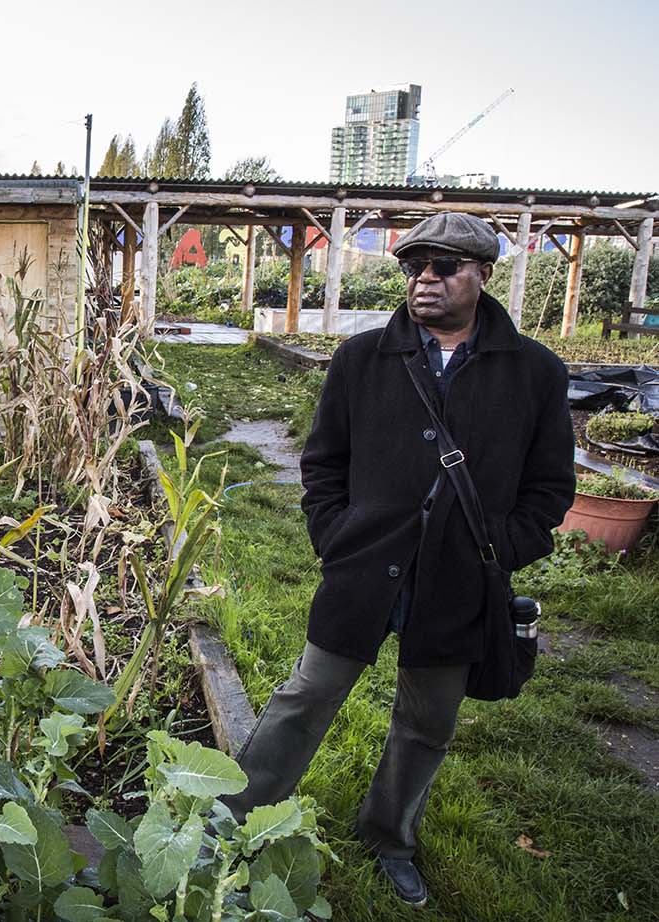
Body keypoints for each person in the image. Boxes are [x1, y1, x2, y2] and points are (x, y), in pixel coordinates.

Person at [224, 212, 575, 907]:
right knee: (305, 697)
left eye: (444, 266)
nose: (425, 279)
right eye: (415, 266)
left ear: (482, 275)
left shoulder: (534, 371)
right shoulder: (363, 359)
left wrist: (503, 548)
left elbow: (550, 488)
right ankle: (227, 821)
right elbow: (323, 464)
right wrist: (336, 534)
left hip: (459, 580)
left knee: (426, 723)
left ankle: (390, 837)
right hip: (363, 571)